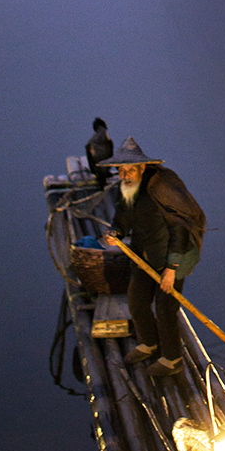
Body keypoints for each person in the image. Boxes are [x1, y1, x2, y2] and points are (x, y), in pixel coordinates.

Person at [103, 137, 206, 378]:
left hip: (173, 255)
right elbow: (123, 217)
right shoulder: (127, 189)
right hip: (144, 254)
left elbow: (180, 230)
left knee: (165, 308)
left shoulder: (160, 190)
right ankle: (148, 343)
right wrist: (115, 232)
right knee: (136, 300)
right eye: (121, 170)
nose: (126, 175)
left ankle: (172, 359)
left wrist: (171, 269)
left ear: (142, 168)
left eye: (131, 170)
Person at [85, 118, 114, 184]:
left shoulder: (91, 143)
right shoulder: (108, 141)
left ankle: (102, 174)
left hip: (99, 171)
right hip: (101, 170)